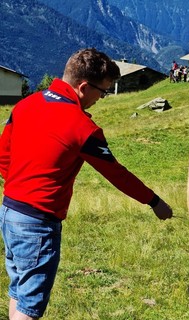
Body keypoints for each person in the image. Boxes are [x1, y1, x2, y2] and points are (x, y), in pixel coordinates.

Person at [0, 48, 173, 320]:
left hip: (9, 212)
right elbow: (117, 174)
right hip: (38, 222)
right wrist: (154, 201)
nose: (102, 98)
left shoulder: (25, 105)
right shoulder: (82, 127)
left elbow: (4, 155)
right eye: (103, 91)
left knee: (19, 290)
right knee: (30, 305)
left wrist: (18, 188)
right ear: (83, 87)